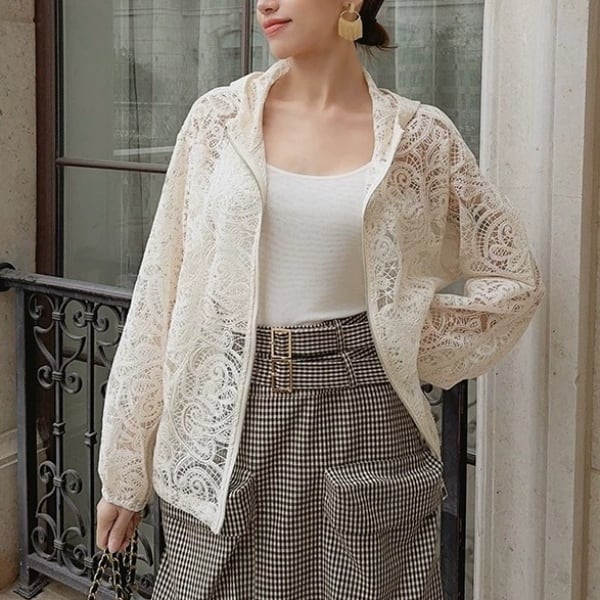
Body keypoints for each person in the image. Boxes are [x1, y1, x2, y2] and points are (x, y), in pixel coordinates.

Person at [96, 0, 544, 598]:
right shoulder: (219, 120)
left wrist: (401, 332)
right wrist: (124, 470)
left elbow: (513, 280)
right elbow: (163, 289)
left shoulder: (419, 138)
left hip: (367, 421)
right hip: (224, 421)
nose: (265, 3)